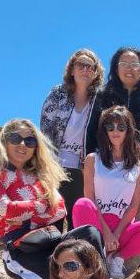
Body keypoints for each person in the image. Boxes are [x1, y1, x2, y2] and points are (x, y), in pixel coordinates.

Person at [73, 106, 140, 278]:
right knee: (82, 204)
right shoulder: (93, 160)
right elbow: (90, 198)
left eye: (121, 127)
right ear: (104, 131)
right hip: (96, 226)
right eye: (110, 127)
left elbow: (134, 206)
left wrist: (115, 235)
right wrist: (106, 233)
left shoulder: (139, 167)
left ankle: (116, 259)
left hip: (121, 231)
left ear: (128, 130)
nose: (116, 131)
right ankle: (96, 259)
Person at [0, 118, 68, 279]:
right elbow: (5, 210)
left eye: (30, 141)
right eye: (15, 138)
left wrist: (27, 213)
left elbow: (61, 209)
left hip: (50, 242)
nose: (22, 145)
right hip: (22, 248)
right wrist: (42, 205)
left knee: (89, 234)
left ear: (36, 147)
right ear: (5, 141)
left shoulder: (40, 176)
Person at [40, 49, 104, 212]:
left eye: (91, 67)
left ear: (96, 73)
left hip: (84, 169)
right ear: (72, 70)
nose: (86, 69)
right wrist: (46, 164)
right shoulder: (57, 94)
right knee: (54, 215)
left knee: (78, 217)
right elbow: (45, 131)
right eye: (81, 65)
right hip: (56, 166)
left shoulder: (100, 100)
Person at [85, 47, 140, 155]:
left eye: (134, 64)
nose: (129, 68)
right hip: (104, 161)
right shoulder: (103, 94)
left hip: (136, 163)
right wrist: (88, 161)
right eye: (124, 64)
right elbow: (91, 131)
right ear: (116, 70)